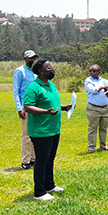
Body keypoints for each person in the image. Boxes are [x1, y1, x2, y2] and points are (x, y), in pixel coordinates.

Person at [24, 58, 72, 201]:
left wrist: (63, 107)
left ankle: (49, 185)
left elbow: (53, 102)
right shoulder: (33, 87)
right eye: (49, 68)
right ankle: (39, 192)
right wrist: (45, 112)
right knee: (41, 160)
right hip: (41, 131)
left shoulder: (51, 85)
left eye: (52, 67)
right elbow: (28, 106)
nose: (52, 70)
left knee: (50, 158)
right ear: (40, 71)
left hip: (53, 129)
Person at [13, 50, 38, 169]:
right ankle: (25, 161)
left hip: (36, 108)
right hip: (25, 107)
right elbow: (15, 90)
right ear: (25, 59)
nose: (33, 60)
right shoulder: (20, 71)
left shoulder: (36, 73)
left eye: (34, 58)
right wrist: (19, 108)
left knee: (35, 134)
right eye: (30, 58)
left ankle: (34, 159)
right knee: (27, 135)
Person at [85, 64, 108, 153]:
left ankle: (103, 146)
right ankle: (91, 147)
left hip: (105, 108)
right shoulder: (88, 80)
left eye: (94, 71)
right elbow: (92, 90)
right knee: (93, 128)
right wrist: (103, 87)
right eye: (90, 71)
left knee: (103, 128)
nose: (91, 73)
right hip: (93, 108)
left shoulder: (105, 81)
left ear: (99, 72)